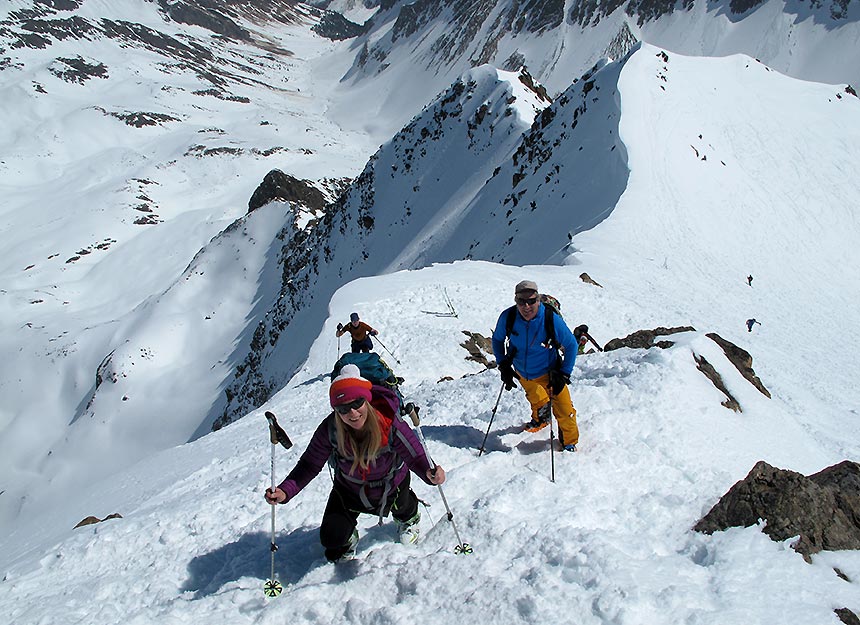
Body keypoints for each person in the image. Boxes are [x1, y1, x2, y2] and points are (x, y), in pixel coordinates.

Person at [264, 364, 445, 562]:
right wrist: (285, 491)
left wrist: (429, 472)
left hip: (391, 485)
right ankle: (347, 537)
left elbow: (415, 454)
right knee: (332, 540)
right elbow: (309, 464)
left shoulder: (388, 422)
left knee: (403, 505)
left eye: (357, 402)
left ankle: (409, 517)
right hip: (350, 490)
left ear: (366, 400)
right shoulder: (330, 429)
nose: (352, 413)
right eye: (342, 408)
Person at [491, 280, 580, 452]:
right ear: (515, 301)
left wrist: (564, 374)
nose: (527, 306)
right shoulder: (508, 317)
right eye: (521, 301)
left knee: (564, 409)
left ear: (538, 300)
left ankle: (569, 442)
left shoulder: (550, 319)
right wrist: (503, 364)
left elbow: (571, 345)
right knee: (535, 396)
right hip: (521, 370)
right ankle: (541, 419)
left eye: (531, 301)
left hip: (549, 372)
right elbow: (497, 339)